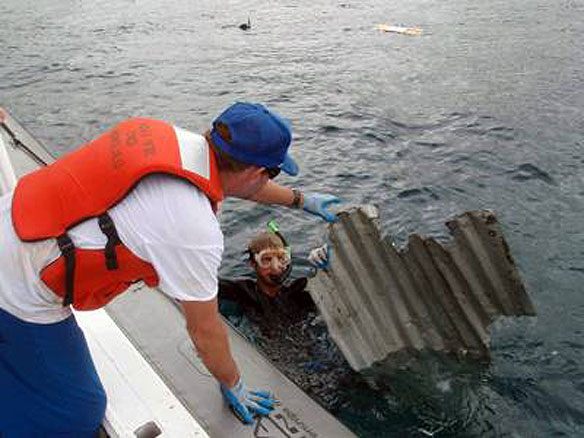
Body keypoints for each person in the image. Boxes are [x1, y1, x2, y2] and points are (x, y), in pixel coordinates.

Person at [0, 102, 340, 436]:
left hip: (13, 221)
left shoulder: (175, 140)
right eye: (272, 171)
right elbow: (204, 331)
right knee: (76, 412)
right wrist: (232, 381)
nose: (266, 179)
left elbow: (240, 182)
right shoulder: (194, 231)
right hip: (17, 287)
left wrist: (300, 200)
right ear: (255, 171)